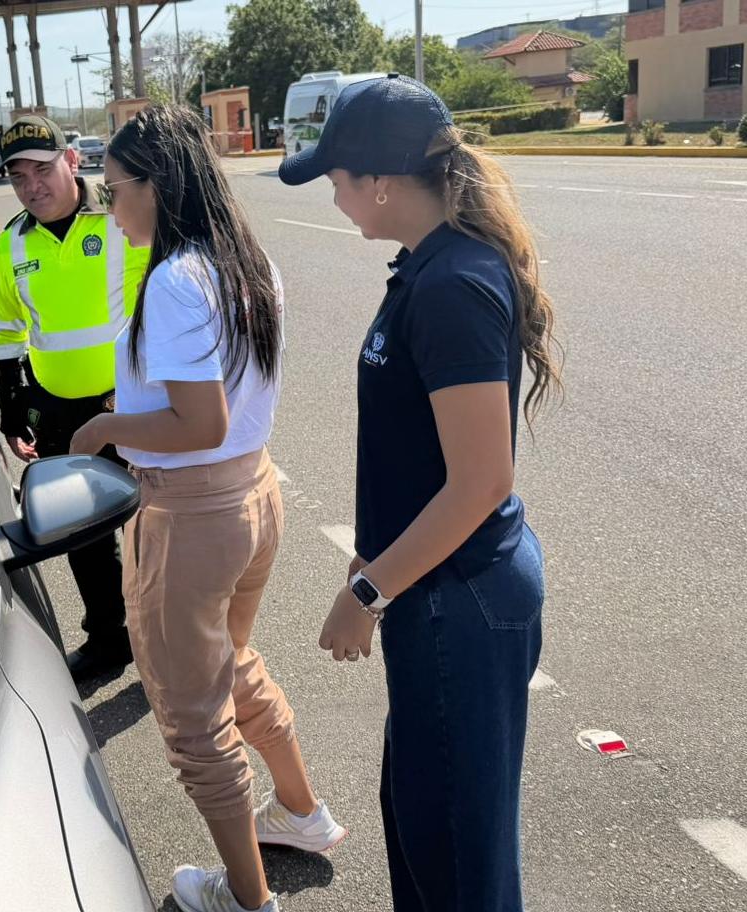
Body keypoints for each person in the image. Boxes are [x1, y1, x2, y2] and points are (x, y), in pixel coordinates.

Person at [278, 75, 561, 910]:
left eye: (336, 179)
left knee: (458, 858)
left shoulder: (451, 287)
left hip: (458, 600)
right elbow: (422, 459)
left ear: (382, 181)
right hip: (438, 591)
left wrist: (367, 591)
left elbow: (482, 480)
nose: (334, 198)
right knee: (424, 824)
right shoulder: (426, 269)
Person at [70, 106, 344, 912]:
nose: (107, 204)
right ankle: (300, 811)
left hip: (192, 513)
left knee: (193, 719)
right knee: (231, 658)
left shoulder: (177, 280)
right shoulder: (244, 260)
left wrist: (103, 427)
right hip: (252, 497)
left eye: (113, 188)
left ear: (156, 186)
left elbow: (199, 423)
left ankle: (248, 900)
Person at [0, 115, 151, 683]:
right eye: (17, 176)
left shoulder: (121, 213)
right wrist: (12, 398)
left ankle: (167, 647)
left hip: (131, 404)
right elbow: (4, 328)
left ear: (72, 161)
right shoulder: (10, 244)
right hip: (58, 408)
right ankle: (109, 641)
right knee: (84, 536)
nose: (32, 185)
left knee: (154, 531)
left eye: (42, 168)